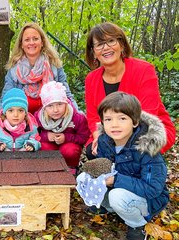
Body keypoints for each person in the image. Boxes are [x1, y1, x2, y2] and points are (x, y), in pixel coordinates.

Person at [84, 22, 175, 159]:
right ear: (94, 52)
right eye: (99, 44)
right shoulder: (91, 79)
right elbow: (93, 117)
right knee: (94, 150)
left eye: (111, 41)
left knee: (132, 154)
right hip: (110, 130)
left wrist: (120, 140)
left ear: (121, 44)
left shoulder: (144, 70)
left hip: (147, 129)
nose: (106, 48)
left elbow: (148, 112)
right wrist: (97, 136)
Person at [95, 92, 168, 240]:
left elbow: (152, 189)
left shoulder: (146, 149)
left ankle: (137, 224)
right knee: (85, 177)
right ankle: (109, 206)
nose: (114, 124)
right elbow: (104, 165)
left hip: (150, 199)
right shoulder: (104, 141)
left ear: (134, 122)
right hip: (121, 188)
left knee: (117, 196)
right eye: (108, 119)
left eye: (122, 118)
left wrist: (114, 180)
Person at [0, 22, 78, 115]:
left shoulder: (54, 65)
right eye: (27, 39)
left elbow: (67, 96)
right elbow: (5, 99)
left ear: (42, 42)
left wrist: (80, 117)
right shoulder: (14, 71)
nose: (31, 42)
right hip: (23, 122)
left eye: (35, 39)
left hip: (52, 121)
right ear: (21, 44)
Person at [34, 82, 90, 173]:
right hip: (49, 145)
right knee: (42, 147)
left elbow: (84, 137)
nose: (55, 110)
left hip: (68, 145)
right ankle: (50, 167)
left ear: (66, 103)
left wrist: (66, 138)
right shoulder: (39, 117)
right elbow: (33, 134)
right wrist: (46, 136)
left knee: (70, 151)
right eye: (50, 106)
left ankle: (71, 168)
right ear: (44, 107)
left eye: (60, 104)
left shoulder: (77, 118)